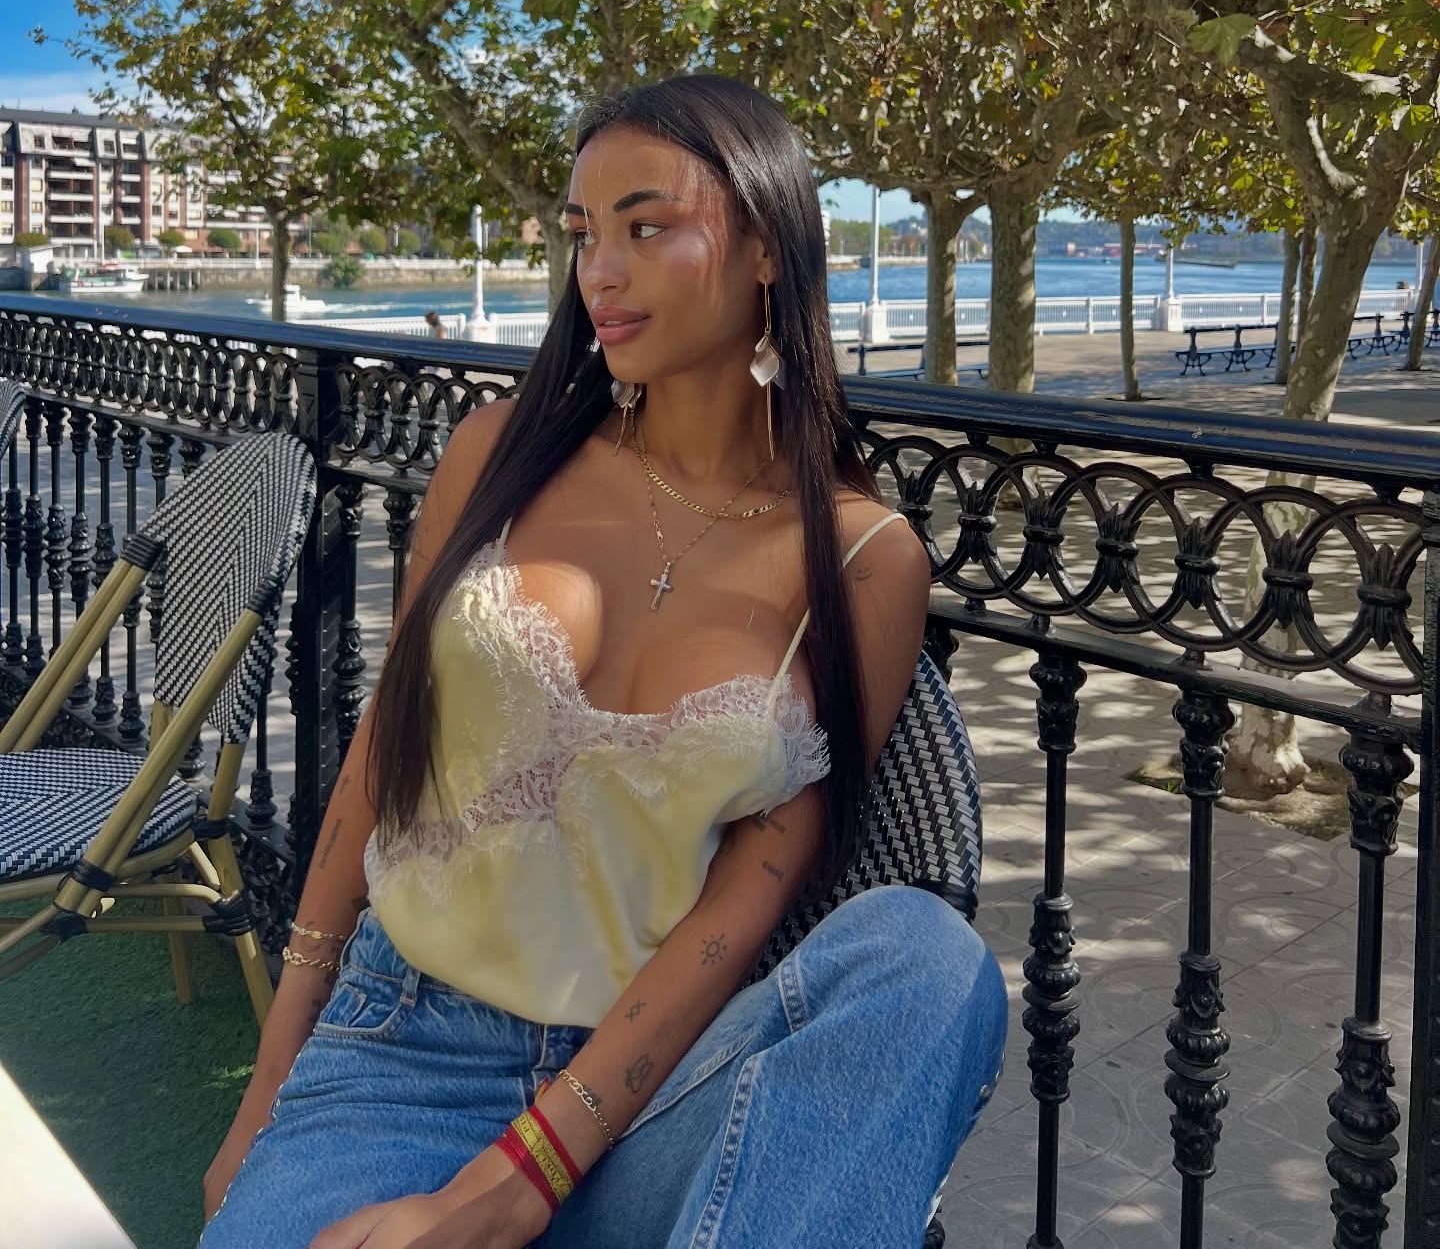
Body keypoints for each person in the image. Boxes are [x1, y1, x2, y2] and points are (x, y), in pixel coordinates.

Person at [201, 74, 1007, 1249]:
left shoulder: (864, 564)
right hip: (405, 1051)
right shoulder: (499, 454)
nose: (600, 273)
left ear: (768, 248)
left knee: (929, 962)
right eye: (584, 235)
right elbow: (384, 750)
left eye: (646, 226)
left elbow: (755, 892)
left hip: (653, 1085)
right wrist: (268, 1091)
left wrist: (524, 1176)